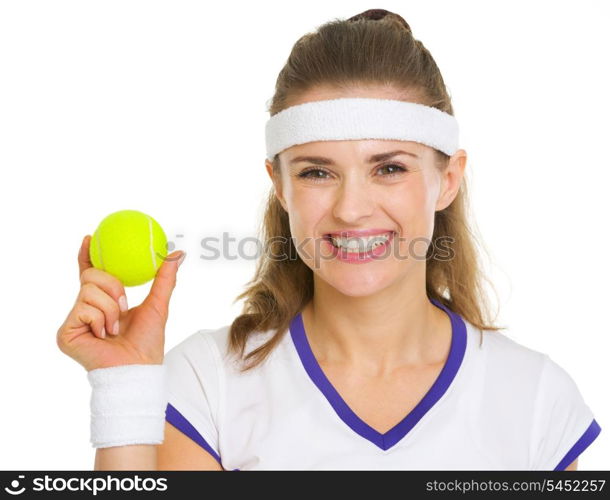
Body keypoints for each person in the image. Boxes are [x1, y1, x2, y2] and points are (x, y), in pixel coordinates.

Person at [57, 8, 601, 471]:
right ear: (281, 185)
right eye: (317, 172)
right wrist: (125, 389)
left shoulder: (535, 399)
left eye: (389, 168)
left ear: (448, 179)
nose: (351, 208)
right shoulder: (205, 382)